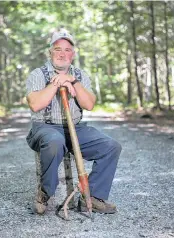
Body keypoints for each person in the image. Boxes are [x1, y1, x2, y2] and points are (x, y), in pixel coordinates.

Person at [26, 30, 122, 215]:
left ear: (73, 54)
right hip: (45, 127)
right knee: (55, 141)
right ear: (50, 52)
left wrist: (72, 81)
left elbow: (89, 104)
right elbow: (36, 104)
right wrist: (57, 83)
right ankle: (44, 193)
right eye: (58, 49)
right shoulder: (38, 74)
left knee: (111, 146)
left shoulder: (80, 75)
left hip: (76, 128)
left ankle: (93, 196)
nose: (62, 54)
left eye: (67, 50)